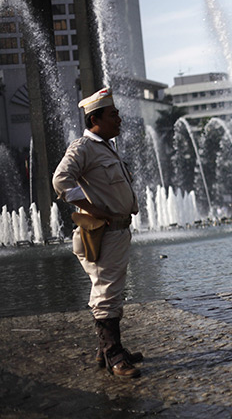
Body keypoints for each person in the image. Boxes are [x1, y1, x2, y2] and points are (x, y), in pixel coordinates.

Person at [52, 88, 142, 379]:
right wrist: (92, 207)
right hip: (103, 233)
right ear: (96, 118)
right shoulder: (83, 147)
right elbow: (60, 180)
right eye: (113, 114)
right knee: (106, 293)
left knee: (107, 291)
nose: (119, 119)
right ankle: (115, 356)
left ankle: (106, 351)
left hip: (116, 232)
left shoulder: (104, 146)